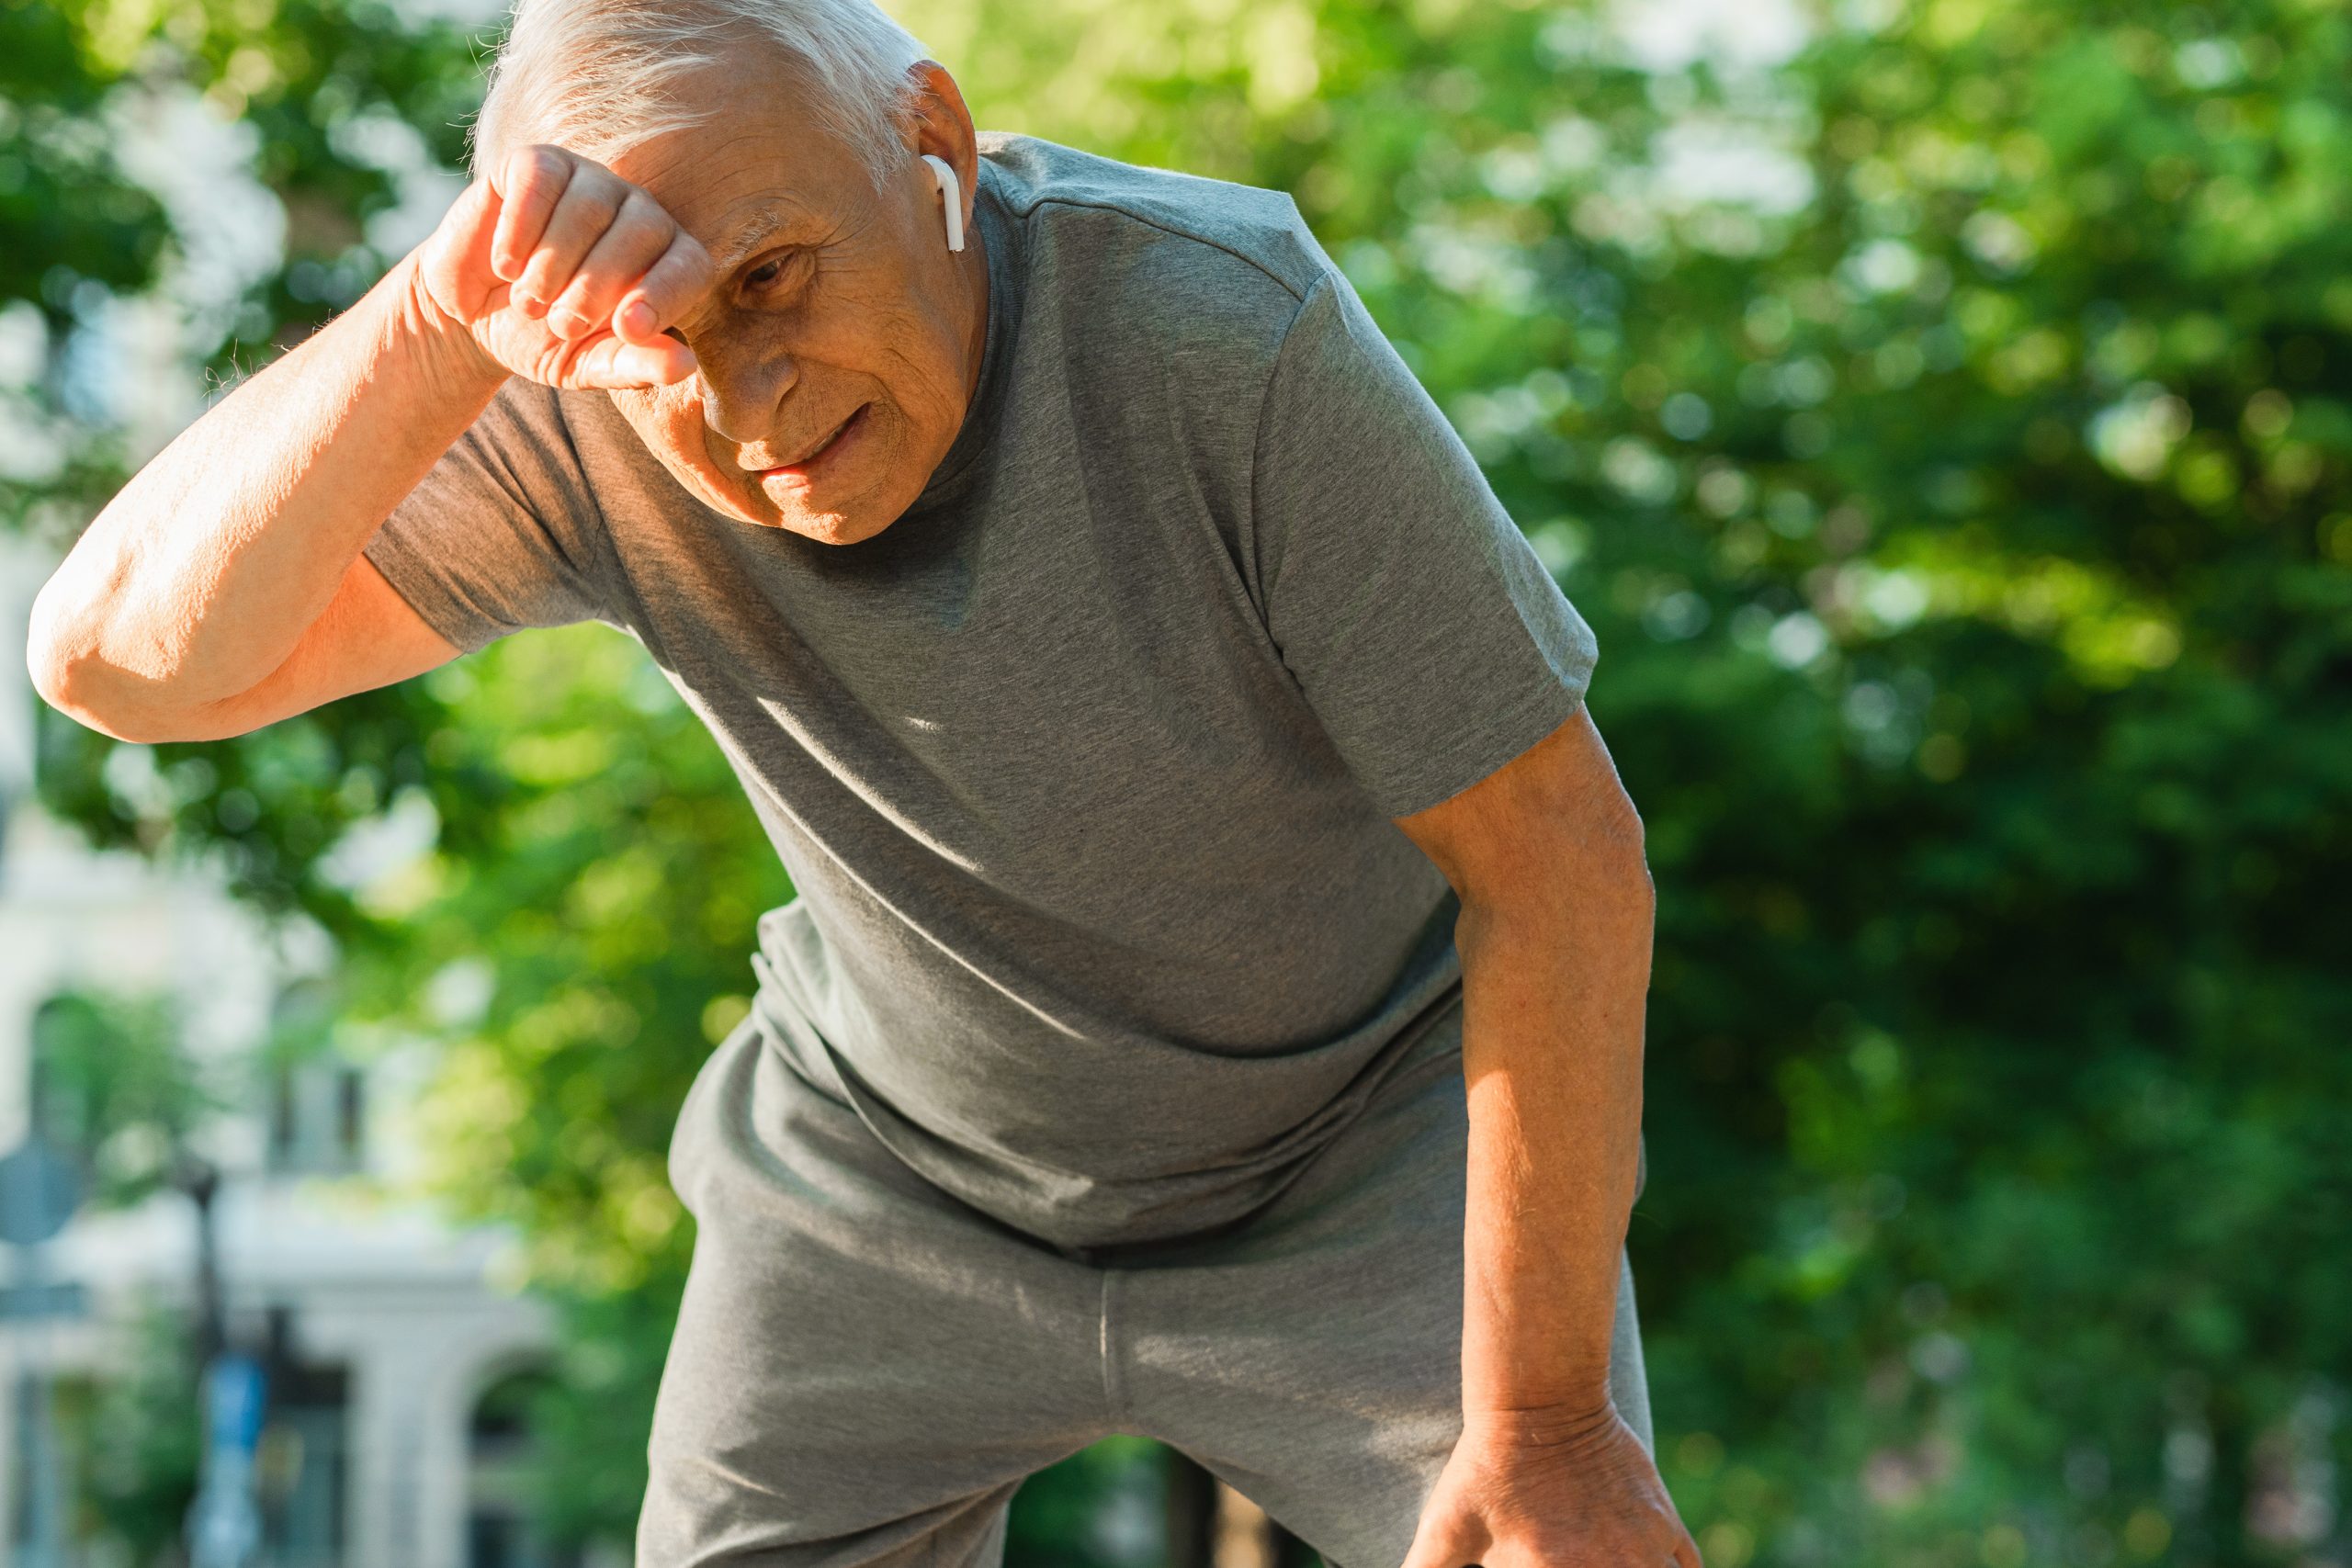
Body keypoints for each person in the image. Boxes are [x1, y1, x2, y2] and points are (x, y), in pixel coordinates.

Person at [28, 0, 1702, 1563]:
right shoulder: (590, 411)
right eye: (661, 333)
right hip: (889, 1176)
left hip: (1360, 1156)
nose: (742, 401)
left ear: (935, 149)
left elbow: (1558, 859)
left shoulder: (1220, 329)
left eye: (770, 277)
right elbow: (115, 667)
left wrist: (1547, 1420)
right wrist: (439, 317)